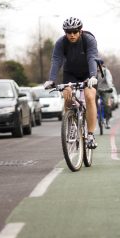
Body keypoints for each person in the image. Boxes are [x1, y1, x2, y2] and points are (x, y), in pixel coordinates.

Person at [44, 17, 99, 149]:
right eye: (69, 32)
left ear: (80, 31)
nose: (72, 35)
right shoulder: (61, 43)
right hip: (70, 73)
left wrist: (93, 75)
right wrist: (51, 79)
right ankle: (70, 123)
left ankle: (90, 135)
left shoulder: (88, 40)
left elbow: (92, 57)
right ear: (65, 32)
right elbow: (56, 60)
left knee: (90, 97)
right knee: (68, 96)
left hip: (88, 74)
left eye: (75, 31)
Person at [96, 59, 114, 129]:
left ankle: (107, 120)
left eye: (99, 65)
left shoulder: (106, 71)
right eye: (96, 65)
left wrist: (110, 88)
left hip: (105, 90)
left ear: (102, 65)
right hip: (96, 90)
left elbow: (109, 81)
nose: (97, 67)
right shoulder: (93, 71)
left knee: (107, 104)